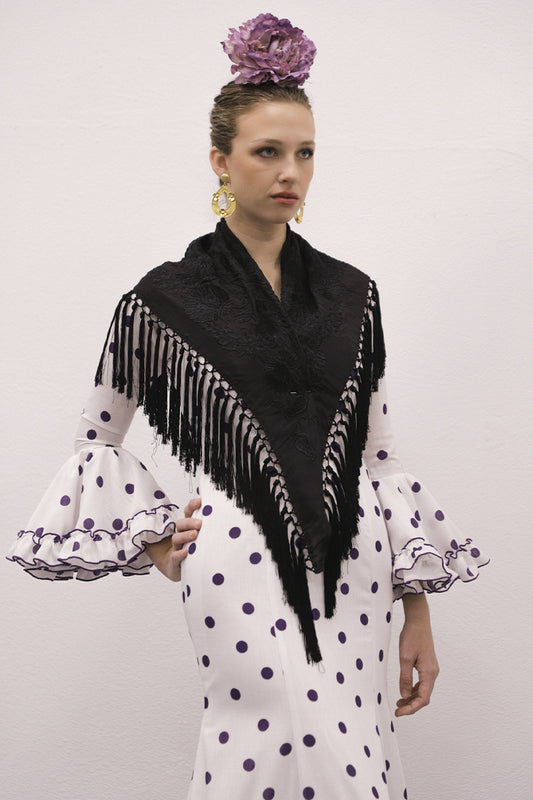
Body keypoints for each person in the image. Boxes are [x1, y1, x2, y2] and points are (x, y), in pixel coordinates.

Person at [7, 14, 488, 800]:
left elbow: (379, 458)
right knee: (261, 744)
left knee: (358, 756)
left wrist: (418, 614)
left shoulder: (353, 294)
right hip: (236, 562)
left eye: (304, 153)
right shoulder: (164, 298)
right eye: (267, 151)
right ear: (220, 160)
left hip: (358, 566)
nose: (289, 172)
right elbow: (98, 437)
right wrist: (159, 540)